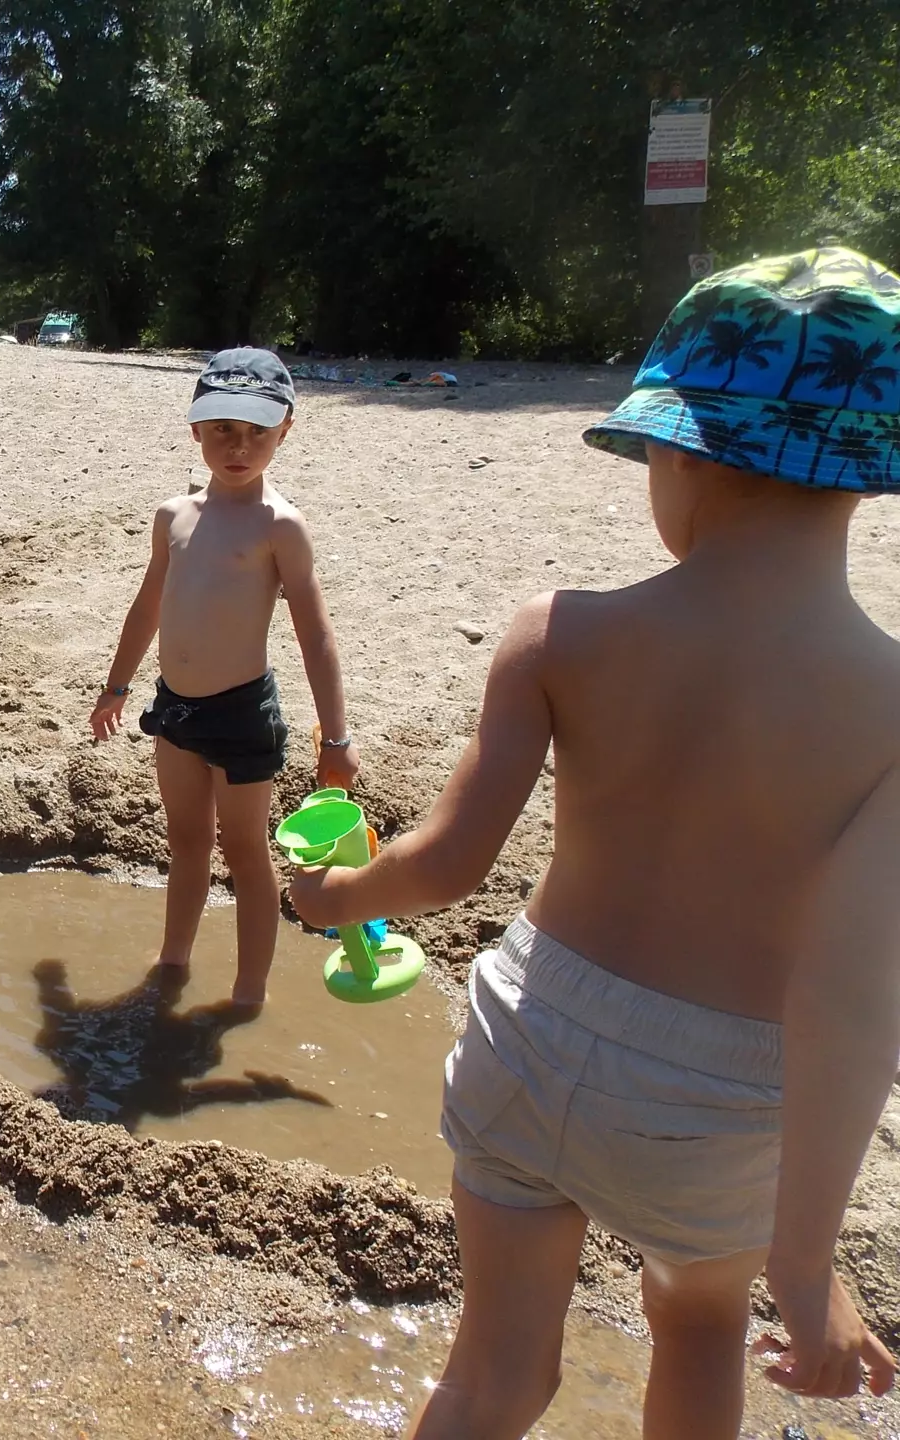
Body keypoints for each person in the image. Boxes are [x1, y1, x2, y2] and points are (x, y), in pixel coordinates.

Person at [290, 246, 900, 1439]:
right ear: (868, 477)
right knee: (698, 1327)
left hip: (535, 1025)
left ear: (674, 449)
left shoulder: (558, 634)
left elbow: (449, 864)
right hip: (718, 1098)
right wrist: (806, 1255)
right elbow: (852, 994)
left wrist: (335, 895)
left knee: (494, 1377)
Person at [89, 347, 358, 1005]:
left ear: (285, 430)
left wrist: (336, 740)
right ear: (196, 430)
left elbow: (315, 635)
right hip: (175, 708)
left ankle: (248, 991)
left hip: (242, 715)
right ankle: (173, 961)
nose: (238, 447)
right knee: (185, 840)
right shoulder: (173, 517)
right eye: (222, 432)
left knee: (245, 852)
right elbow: (149, 603)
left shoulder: (280, 525)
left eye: (256, 433)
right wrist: (116, 686)